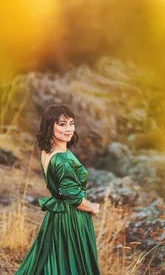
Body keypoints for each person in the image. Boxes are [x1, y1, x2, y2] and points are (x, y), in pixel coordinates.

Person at [15, 104, 101, 275]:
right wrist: (92, 207)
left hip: (58, 217)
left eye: (71, 123)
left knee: (51, 261)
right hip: (71, 220)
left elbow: (64, 190)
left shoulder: (49, 151)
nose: (69, 129)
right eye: (62, 124)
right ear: (49, 126)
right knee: (70, 266)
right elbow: (74, 198)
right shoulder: (61, 159)